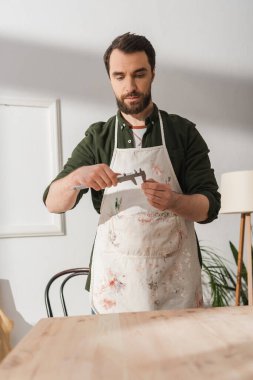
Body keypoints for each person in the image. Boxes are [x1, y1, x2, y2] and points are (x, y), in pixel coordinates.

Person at [43, 32, 220, 314]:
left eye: (139, 74)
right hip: (116, 288)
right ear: (110, 79)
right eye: (120, 76)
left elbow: (209, 207)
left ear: (153, 73)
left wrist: (175, 202)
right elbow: (53, 202)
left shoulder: (183, 133)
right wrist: (78, 178)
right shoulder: (98, 138)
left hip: (175, 287)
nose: (130, 86)